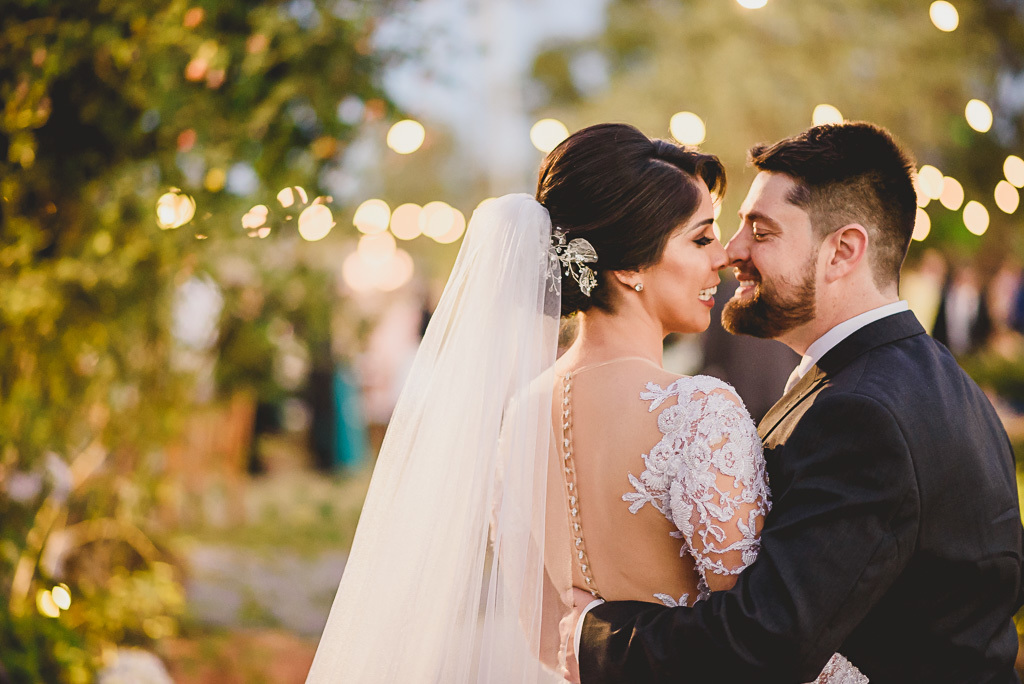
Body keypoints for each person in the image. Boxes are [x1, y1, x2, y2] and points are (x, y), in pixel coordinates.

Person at [306, 122, 857, 683]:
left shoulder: (520, 416)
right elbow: (763, 639)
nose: (723, 258)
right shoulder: (698, 411)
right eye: (700, 239)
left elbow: (549, 639)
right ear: (629, 266)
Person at [567, 123, 1023, 683]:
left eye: (761, 231)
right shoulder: (926, 379)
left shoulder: (865, 414)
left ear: (843, 251)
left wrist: (591, 638)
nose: (732, 252)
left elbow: (770, 637)